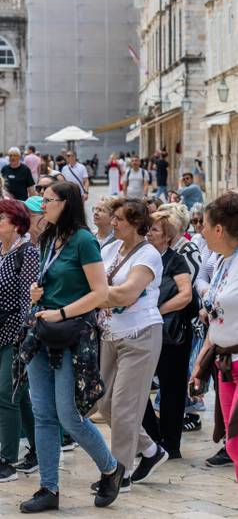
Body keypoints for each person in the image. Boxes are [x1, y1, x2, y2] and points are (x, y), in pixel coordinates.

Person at [20, 180, 124, 513]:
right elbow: (53, 278)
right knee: (43, 415)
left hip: (72, 335)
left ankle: (110, 467)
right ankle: (48, 488)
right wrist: (39, 293)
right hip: (42, 331)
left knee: (69, 415)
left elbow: (100, 293)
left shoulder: (83, 241)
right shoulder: (48, 238)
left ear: (66, 203)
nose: (42, 205)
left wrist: (62, 311)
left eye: (48, 200)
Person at [96, 198, 164, 491]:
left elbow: (127, 294)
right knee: (105, 403)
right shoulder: (109, 248)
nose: (113, 223)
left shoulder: (148, 255)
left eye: (119, 219)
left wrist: (94, 294)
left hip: (141, 333)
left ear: (137, 223)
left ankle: (119, 474)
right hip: (110, 333)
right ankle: (150, 450)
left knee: (124, 406)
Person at [0, 198, 40, 482]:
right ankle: (38, 450)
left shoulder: (27, 253)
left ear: (16, 223)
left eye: (0, 217)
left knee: (5, 395)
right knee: (18, 395)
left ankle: (7, 460)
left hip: (17, 333)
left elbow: (29, 298)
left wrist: (26, 335)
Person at [192, 192, 238, 482]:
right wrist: (199, 364)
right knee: (232, 445)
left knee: (237, 441)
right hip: (224, 364)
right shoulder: (222, 261)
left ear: (219, 229)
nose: (201, 231)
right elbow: (216, 316)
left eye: (205, 225)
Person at [140, 208, 193, 462]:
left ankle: (171, 443)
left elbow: (186, 295)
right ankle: (152, 437)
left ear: (168, 237)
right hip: (143, 330)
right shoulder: (141, 257)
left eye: (155, 230)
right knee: (136, 386)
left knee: (172, 388)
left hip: (172, 335)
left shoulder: (175, 260)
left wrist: (158, 310)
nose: (149, 233)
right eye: (148, 229)